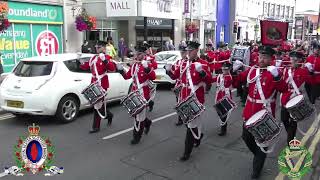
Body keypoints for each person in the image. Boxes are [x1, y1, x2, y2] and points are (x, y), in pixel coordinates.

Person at [232, 46, 288, 179]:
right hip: (249, 112)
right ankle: (258, 155)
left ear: (271, 59)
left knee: (262, 142)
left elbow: (284, 89)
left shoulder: (273, 73)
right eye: (260, 56)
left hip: (264, 113)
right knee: (246, 137)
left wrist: (277, 76)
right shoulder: (252, 70)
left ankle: (257, 169)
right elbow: (236, 82)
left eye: (265, 57)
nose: (261, 59)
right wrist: (234, 70)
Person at [165, 41, 212, 161]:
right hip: (183, 97)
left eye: (191, 50)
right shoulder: (182, 63)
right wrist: (168, 70)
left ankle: (187, 152)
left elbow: (209, 80)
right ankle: (198, 135)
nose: (188, 52)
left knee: (190, 125)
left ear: (196, 51)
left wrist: (202, 72)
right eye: (188, 50)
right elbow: (175, 76)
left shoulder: (203, 63)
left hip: (196, 98)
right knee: (188, 123)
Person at [116, 45, 156, 145]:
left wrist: (147, 68)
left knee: (139, 117)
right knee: (136, 114)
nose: (137, 56)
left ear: (144, 54)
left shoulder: (147, 65)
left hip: (143, 93)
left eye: (139, 54)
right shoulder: (134, 65)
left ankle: (137, 136)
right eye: (136, 53)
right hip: (134, 92)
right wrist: (121, 70)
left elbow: (153, 77)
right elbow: (127, 76)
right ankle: (147, 123)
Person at [80, 42, 116, 133]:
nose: (97, 48)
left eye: (99, 47)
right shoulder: (93, 58)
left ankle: (96, 127)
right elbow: (86, 66)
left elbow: (112, 68)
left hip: (102, 84)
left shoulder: (107, 57)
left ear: (104, 48)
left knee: (97, 105)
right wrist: (79, 62)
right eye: (96, 47)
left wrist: (105, 60)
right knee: (97, 105)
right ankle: (109, 115)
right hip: (94, 83)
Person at [280, 50, 312, 145]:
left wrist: (311, 71)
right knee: (284, 119)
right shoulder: (285, 70)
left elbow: (311, 81)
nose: (293, 61)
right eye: (292, 58)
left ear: (300, 61)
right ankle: (290, 134)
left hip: (295, 100)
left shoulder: (303, 71)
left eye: (296, 59)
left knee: (293, 122)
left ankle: (290, 141)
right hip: (285, 99)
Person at [168, 42, 188, 126]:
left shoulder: (189, 62)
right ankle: (180, 119)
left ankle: (187, 116)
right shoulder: (177, 62)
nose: (182, 54)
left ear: (187, 52)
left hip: (186, 86)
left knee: (186, 102)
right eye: (181, 52)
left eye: (183, 52)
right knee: (178, 102)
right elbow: (173, 76)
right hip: (178, 86)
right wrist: (168, 70)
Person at [211, 62, 233, 136]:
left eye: (225, 69)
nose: (223, 70)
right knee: (220, 112)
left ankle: (223, 129)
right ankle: (222, 126)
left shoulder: (228, 77)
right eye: (223, 69)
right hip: (219, 96)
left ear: (229, 69)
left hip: (225, 96)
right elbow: (213, 80)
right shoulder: (220, 75)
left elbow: (227, 83)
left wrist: (222, 76)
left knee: (224, 113)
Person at [142, 41, 158, 112]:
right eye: (144, 49)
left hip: (149, 77)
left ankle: (150, 103)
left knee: (147, 94)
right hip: (141, 77)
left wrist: (152, 60)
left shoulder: (151, 57)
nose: (145, 50)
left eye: (146, 49)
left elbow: (155, 66)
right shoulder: (141, 56)